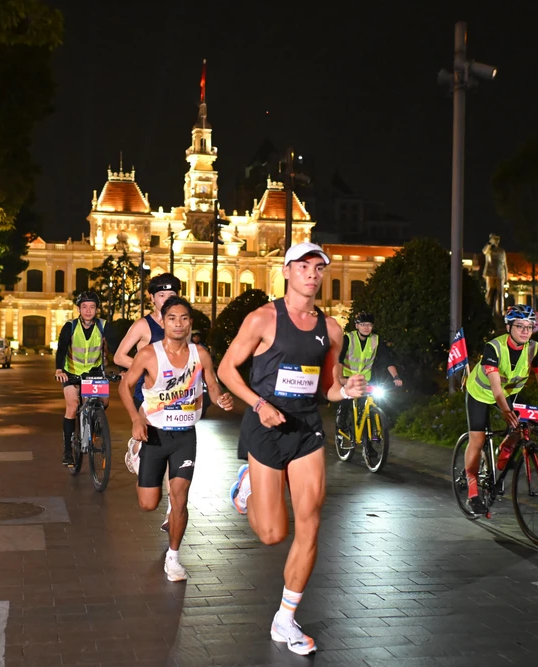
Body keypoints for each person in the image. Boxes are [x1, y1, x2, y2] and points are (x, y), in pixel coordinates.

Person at [218, 242, 367, 656]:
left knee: (311, 522)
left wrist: (347, 390)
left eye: (319, 268)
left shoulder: (332, 329)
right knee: (272, 534)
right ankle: (248, 481)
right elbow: (226, 369)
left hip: (305, 428)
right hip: (265, 426)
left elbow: (328, 388)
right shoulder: (263, 318)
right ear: (286, 271)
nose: (313, 274)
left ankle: (286, 619)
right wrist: (260, 405)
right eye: (304, 266)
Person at [118, 295, 233, 582]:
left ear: (190, 323)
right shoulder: (148, 354)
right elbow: (125, 385)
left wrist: (221, 399)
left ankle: (173, 558)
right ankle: (136, 451)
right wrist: (135, 419)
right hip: (154, 435)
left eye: (183, 318)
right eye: (172, 318)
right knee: (148, 503)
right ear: (164, 322)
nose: (178, 323)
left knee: (180, 499)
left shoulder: (200, 354)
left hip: (185, 436)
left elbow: (213, 385)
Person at [463, 304, 538, 515]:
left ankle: (503, 453)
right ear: (508, 327)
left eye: (529, 326)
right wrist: (506, 412)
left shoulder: (534, 348)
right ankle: (472, 494)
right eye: (519, 326)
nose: (525, 331)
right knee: (477, 440)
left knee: (523, 425)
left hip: (509, 392)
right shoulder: (493, 348)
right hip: (481, 392)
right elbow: (496, 388)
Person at [114, 273, 181, 530]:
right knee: (153, 454)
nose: (166, 300)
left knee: (174, 454)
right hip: (148, 397)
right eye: (161, 296)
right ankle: (136, 449)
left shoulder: (180, 324)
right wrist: (145, 369)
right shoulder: (144, 326)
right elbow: (120, 355)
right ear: (152, 299)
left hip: (176, 398)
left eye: (171, 296)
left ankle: (171, 512)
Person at [55, 291, 114, 466]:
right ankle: (68, 451)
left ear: (97, 309)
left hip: (94, 372)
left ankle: (93, 425)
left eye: (92, 307)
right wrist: (59, 369)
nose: (88, 311)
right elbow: (61, 348)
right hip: (71, 372)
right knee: (72, 406)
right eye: (84, 307)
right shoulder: (70, 326)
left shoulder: (104, 326)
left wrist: (124, 369)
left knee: (103, 402)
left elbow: (117, 346)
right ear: (79, 309)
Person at [335, 311, 402, 435]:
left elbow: (387, 360)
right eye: (363, 324)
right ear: (357, 326)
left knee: (367, 410)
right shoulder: (348, 338)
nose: (366, 328)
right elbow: (339, 359)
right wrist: (340, 377)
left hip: (365, 379)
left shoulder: (376, 340)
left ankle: (369, 442)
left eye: (369, 325)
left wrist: (396, 377)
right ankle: (342, 421)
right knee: (347, 399)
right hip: (348, 377)